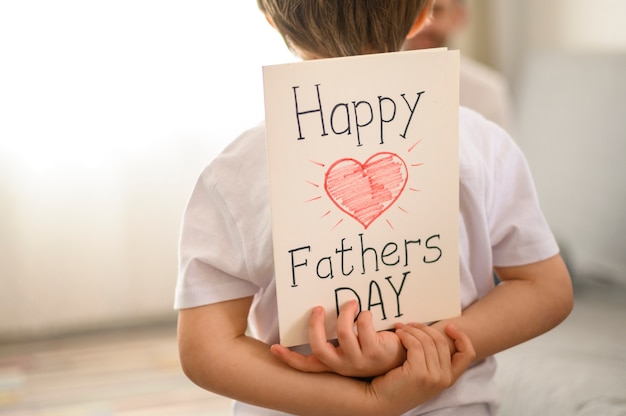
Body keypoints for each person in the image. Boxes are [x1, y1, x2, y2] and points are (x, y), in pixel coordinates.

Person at [175, 1, 574, 415]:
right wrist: (419, 351)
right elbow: (546, 288)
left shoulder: (231, 174)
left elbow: (206, 351)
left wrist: (365, 401)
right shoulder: (482, 143)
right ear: (424, 14)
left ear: (271, 19)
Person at [402, 0, 512, 131]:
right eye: (414, 13)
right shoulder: (378, 81)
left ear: (458, 16)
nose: (424, 25)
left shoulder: (486, 92)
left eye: (435, 11)